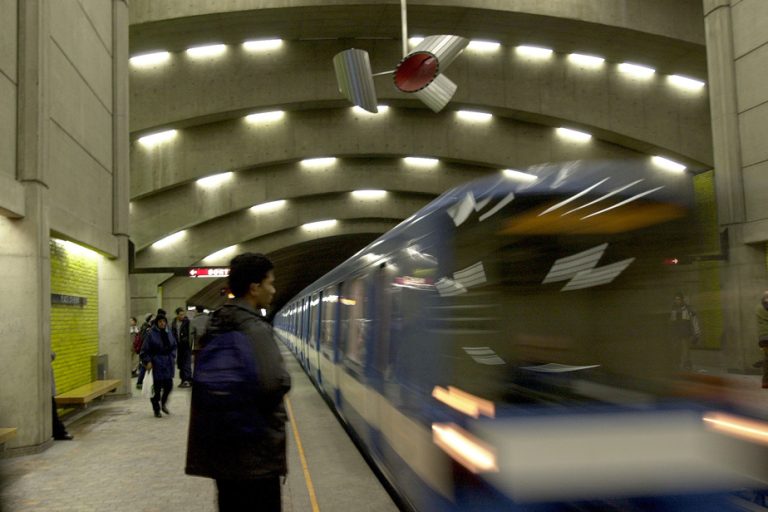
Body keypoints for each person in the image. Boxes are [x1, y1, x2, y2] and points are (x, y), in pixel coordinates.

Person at [186, 253, 291, 512]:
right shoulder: (255, 327)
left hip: (220, 447)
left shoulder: (216, 322)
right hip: (255, 453)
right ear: (254, 288)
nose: (273, 289)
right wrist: (284, 379)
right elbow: (272, 383)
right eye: (270, 283)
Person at [140, 314, 177, 417]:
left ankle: (163, 404)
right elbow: (144, 350)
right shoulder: (151, 334)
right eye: (160, 321)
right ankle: (156, 409)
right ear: (157, 323)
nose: (162, 323)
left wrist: (173, 356)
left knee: (169, 386)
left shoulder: (168, 332)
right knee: (156, 389)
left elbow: (174, 345)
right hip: (156, 363)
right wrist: (148, 361)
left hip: (168, 363)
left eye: (164, 321)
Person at [670, 292, 701, 370]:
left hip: (685, 334)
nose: (677, 301)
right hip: (676, 334)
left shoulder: (688, 309)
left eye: (679, 299)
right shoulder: (673, 309)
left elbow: (694, 321)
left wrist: (697, 333)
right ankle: (677, 364)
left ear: (682, 300)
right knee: (676, 349)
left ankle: (687, 365)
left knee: (685, 350)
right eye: (676, 299)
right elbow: (671, 322)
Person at [51, 352, 73, 440]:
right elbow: (51, 355)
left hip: (47, 390)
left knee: (52, 410)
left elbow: (52, 355)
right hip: (44, 390)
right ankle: (59, 432)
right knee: (52, 411)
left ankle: (59, 432)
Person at [172, 307, 192, 388]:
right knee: (180, 363)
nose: (182, 316)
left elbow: (190, 333)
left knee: (186, 363)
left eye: (183, 314)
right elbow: (173, 333)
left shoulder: (187, 322)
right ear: (177, 315)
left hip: (186, 345)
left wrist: (185, 339)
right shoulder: (174, 323)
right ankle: (183, 380)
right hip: (178, 346)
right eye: (180, 315)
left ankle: (187, 380)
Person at [136, 313, 153, 390]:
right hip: (145, 350)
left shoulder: (146, 327)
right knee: (144, 366)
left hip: (145, 350)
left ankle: (140, 382)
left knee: (143, 366)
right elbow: (145, 339)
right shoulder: (146, 328)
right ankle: (140, 382)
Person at [757, 291, 768, 388]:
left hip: (763, 339)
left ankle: (765, 381)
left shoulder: (759, 308)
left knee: (767, 359)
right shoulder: (765, 308)